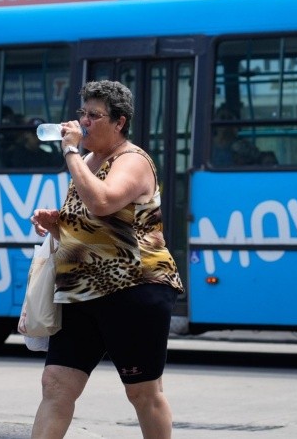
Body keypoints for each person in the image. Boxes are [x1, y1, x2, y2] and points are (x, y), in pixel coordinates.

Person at [26, 80, 184, 439]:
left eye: (94, 116)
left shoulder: (132, 160)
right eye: (83, 113)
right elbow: (93, 223)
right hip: (81, 292)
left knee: (143, 392)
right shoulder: (86, 160)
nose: (83, 122)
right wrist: (58, 225)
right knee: (55, 384)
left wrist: (68, 153)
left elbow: (102, 201)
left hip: (132, 289)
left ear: (119, 123)